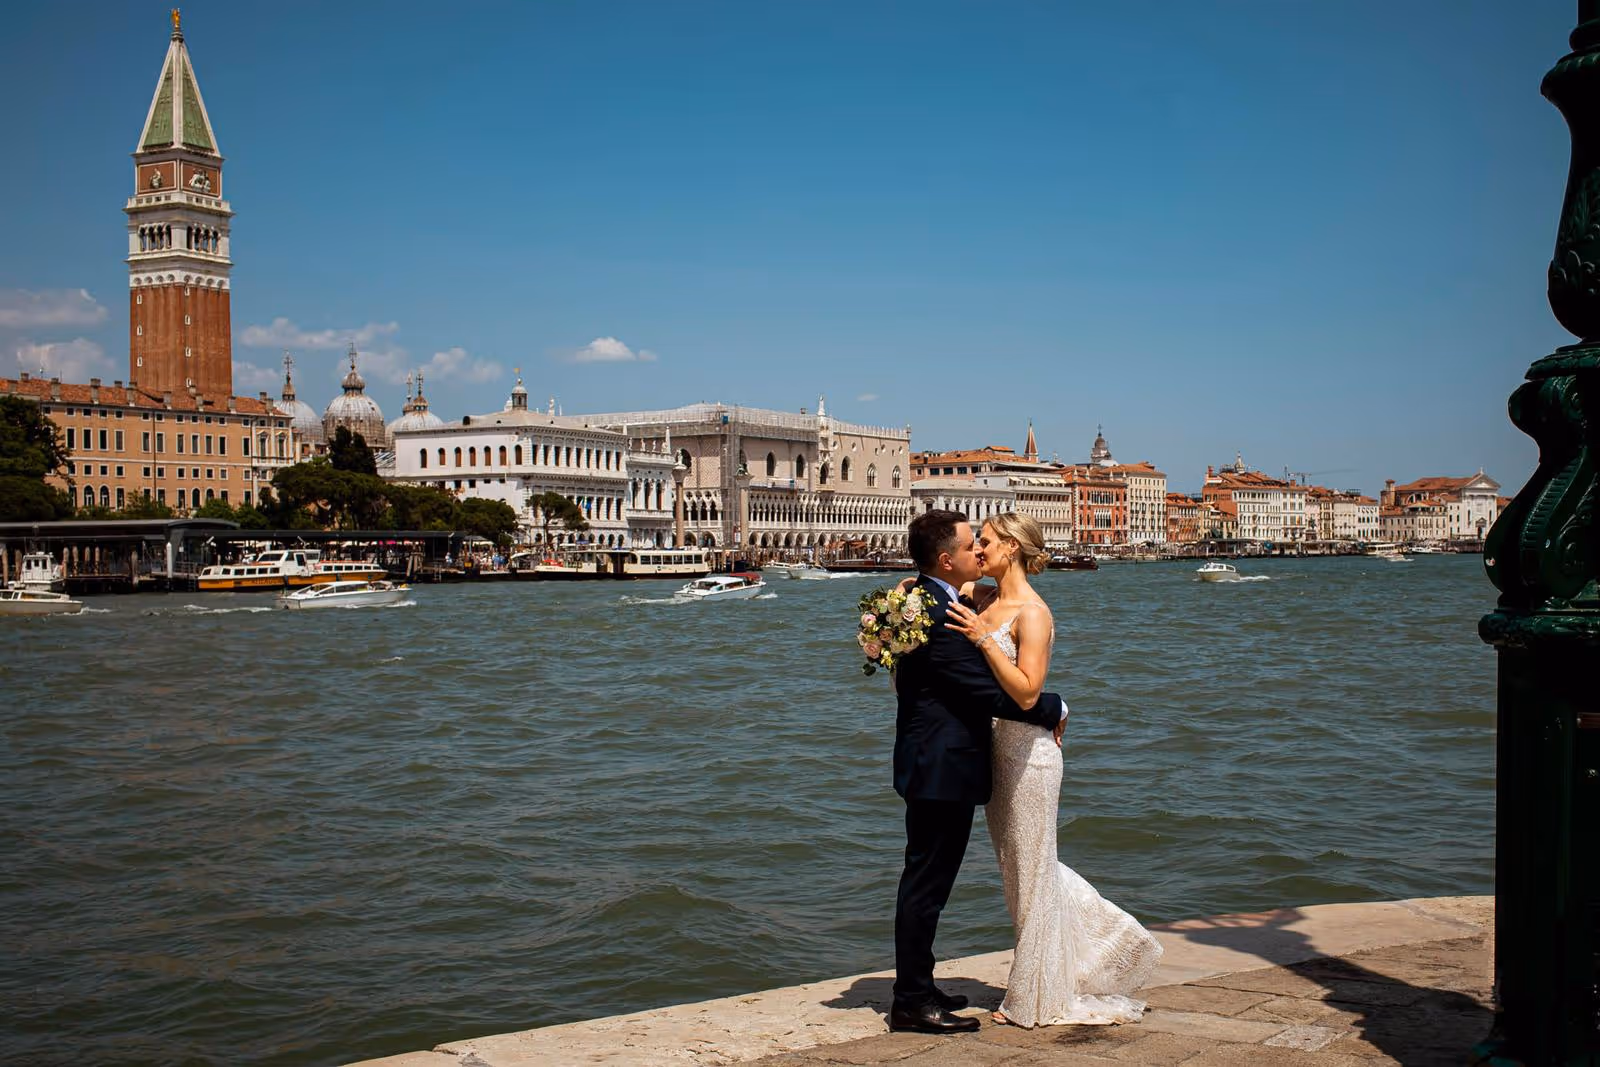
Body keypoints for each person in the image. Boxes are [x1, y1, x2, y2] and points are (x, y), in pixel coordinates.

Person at [943, 512, 1163, 1027]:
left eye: (989, 542)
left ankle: (1037, 995)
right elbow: (925, 582)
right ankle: (1093, 950)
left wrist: (981, 639)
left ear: (1013, 548)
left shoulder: (1033, 613)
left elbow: (1027, 691)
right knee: (1018, 871)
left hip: (1031, 756)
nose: (979, 550)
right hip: (994, 752)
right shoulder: (983, 598)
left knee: (1035, 868)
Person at [888, 510, 1068, 1034]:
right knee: (927, 885)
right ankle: (912, 1000)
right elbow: (996, 694)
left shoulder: (931, 600)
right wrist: (1055, 708)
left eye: (984, 543)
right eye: (972, 545)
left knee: (927, 881)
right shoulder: (942, 616)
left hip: (938, 760)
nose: (979, 552)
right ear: (948, 559)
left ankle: (919, 983)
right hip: (943, 765)